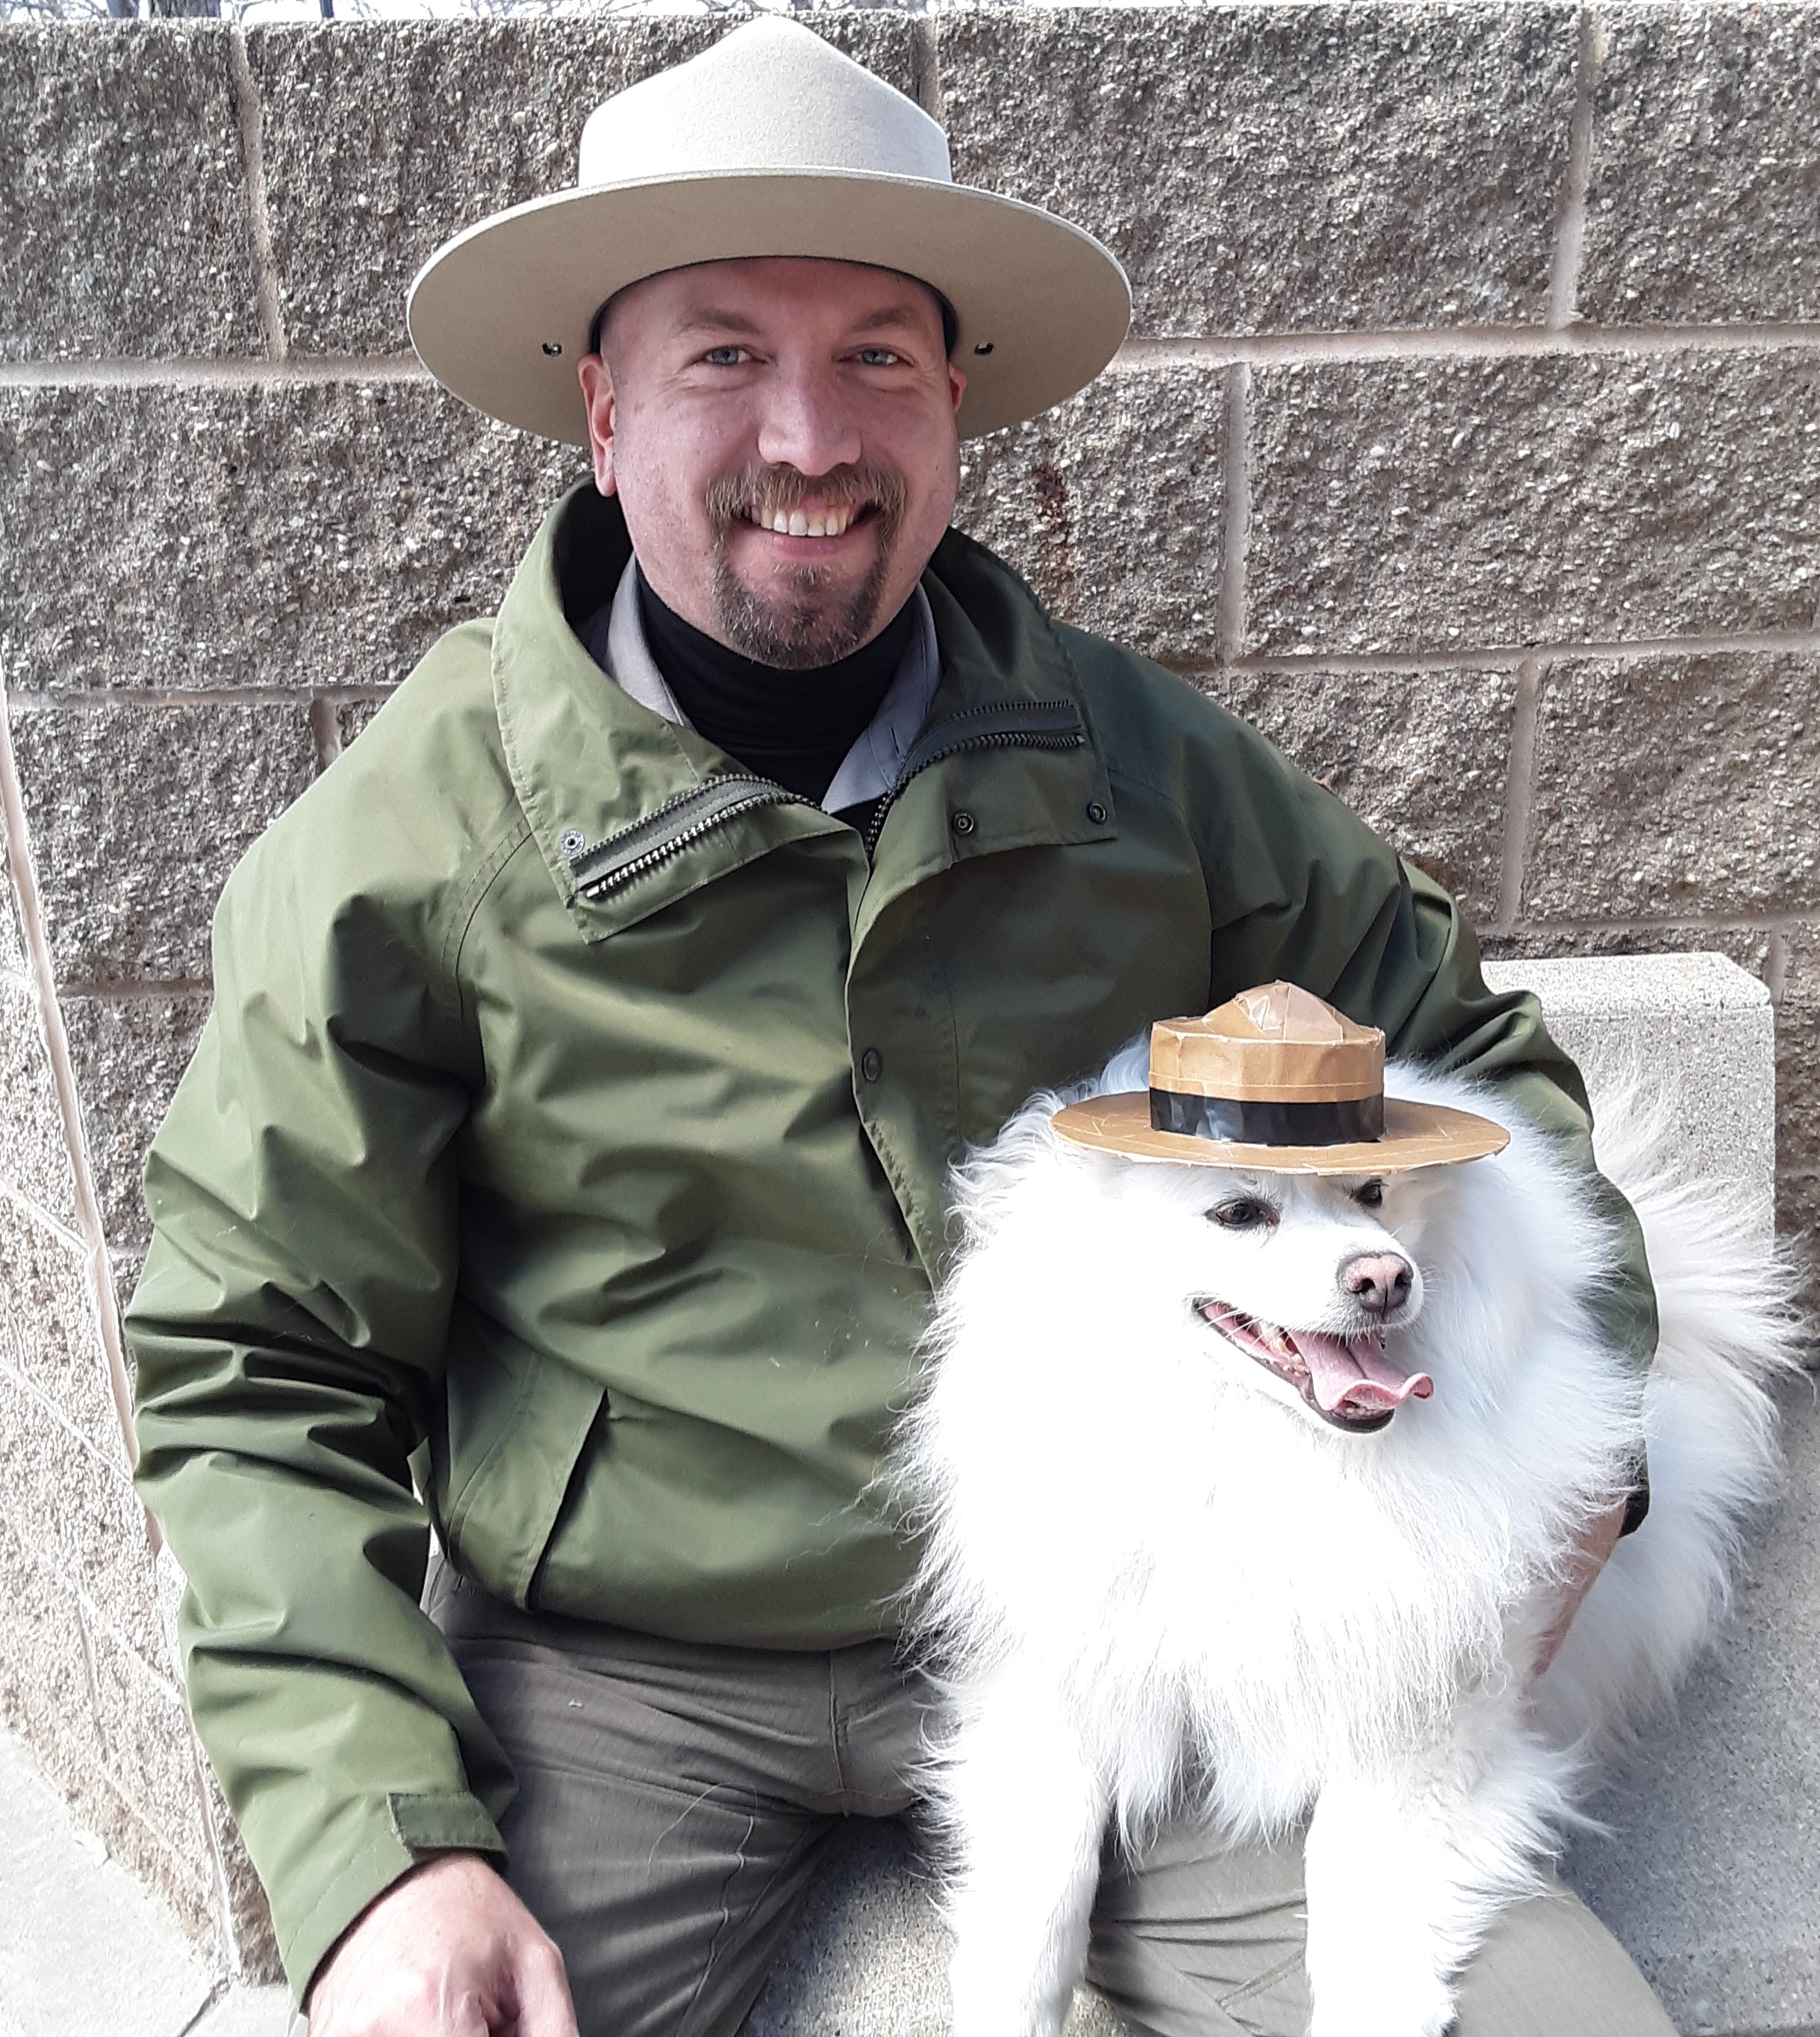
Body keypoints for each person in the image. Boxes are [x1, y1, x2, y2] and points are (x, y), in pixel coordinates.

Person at [128, 20, 1668, 2037]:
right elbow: (255, 1354)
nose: (809, 435)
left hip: (1145, 1611)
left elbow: (1481, 1078)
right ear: (600, 409)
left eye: (874, 355)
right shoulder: (403, 844)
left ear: (955, 402)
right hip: (631, 1672)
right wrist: (379, 1843)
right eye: (720, 356)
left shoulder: (1149, 769)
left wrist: (1581, 1457)